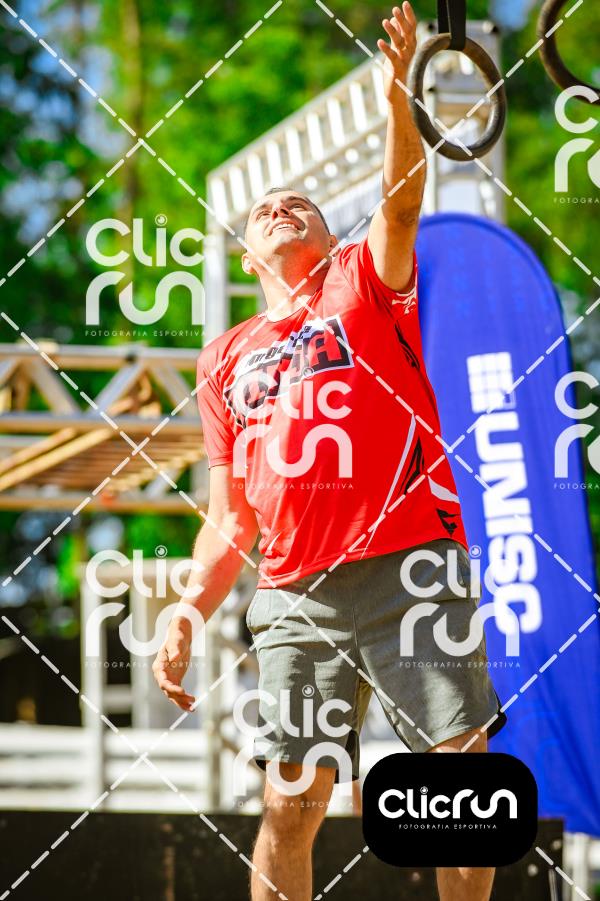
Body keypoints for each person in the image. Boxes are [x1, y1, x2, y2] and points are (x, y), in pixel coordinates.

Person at [153, 4, 505, 899]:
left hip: (408, 563)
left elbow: (402, 197)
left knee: (459, 785)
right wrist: (190, 605)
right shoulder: (223, 356)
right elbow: (230, 518)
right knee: (289, 803)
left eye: (298, 204)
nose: (281, 206)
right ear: (246, 253)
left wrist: (399, 101)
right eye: (265, 210)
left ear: (326, 234)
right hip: (293, 591)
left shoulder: (363, 278)